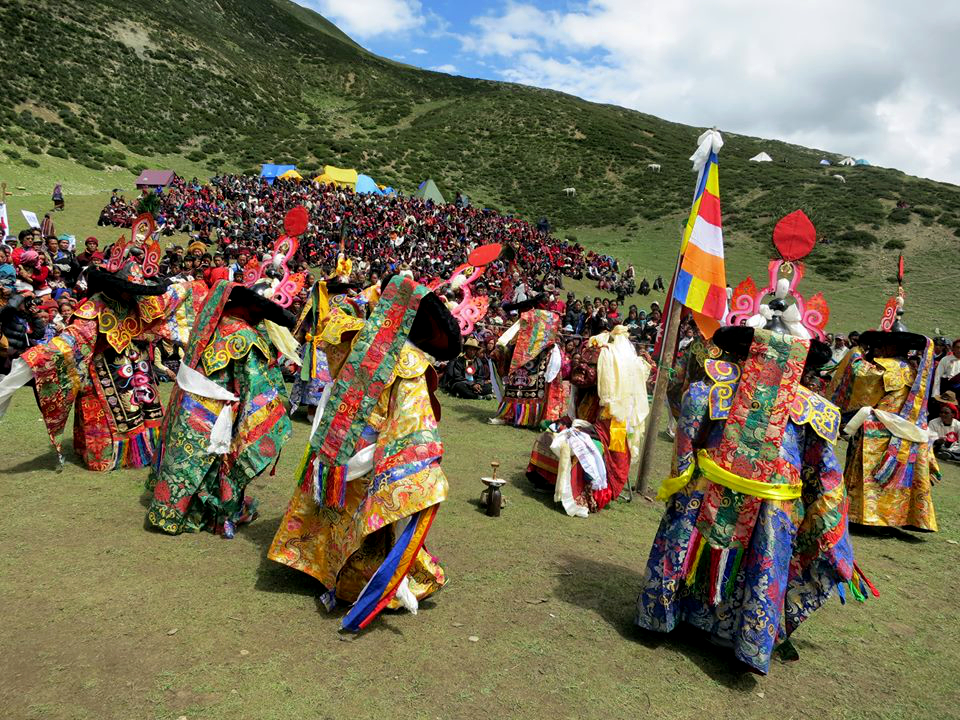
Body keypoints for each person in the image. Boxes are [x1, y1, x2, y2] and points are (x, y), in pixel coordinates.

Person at [636, 326, 868, 675]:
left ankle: (667, 615)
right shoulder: (813, 409)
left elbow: (687, 445)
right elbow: (822, 473)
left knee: (684, 548)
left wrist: (682, 484)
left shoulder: (709, 391)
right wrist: (828, 522)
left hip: (710, 494)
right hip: (771, 509)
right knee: (761, 567)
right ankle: (746, 639)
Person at [268, 275, 461, 632]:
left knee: (330, 512)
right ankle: (357, 582)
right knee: (364, 523)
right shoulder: (409, 362)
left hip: (336, 441)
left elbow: (329, 319)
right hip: (370, 450)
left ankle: (318, 566)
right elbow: (411, 419)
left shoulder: (354, 337)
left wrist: (346, 290)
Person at [0, 247, 206, 470]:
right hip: (105, 369)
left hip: (139, 365)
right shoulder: (94, 307)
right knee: (108, 412)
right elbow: (73, 338)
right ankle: (108, 455)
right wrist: (39, 357)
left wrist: (197, 286)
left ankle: (146, 449)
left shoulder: (139, 300)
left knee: (144, 408)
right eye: (129, 289)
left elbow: (172, 299)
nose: (133, 294)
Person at [145, 281, 296, 537]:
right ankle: (217, 515)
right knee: (217, 461)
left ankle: (175, 511)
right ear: (253, 310)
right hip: (220, 411)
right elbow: (255, 383)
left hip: (190, 405)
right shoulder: (245, 336)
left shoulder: (209, 325)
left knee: (189, 461)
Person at [828, 325, 939, 531]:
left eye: (879, 345)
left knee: (873, 474)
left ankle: (867, 517)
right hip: (902, 426)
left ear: (891, 346)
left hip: (882, 426)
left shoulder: (890, 366)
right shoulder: (909, 367)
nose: (876, 350)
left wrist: (856, 354)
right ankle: (893, 518)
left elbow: (863, 379)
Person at [489, 296, 569, 428]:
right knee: (531, 387)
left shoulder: (529, 316)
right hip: (537, 358)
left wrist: (502, 349)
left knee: (521, 387)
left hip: (525, 356)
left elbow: (511, 340)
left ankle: (516, 415)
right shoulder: (552, 318)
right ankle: (533, 418)